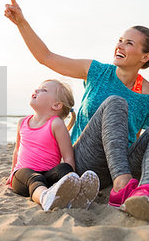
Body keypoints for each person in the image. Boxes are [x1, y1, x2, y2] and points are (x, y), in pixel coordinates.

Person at [4, 0, 149, 222]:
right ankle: (121, 186)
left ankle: (146, 193)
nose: (120, 46)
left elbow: (142, 138)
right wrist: (21, 23)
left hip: (120, 161)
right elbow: (46, 57)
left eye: (129, 43)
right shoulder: (97, 71)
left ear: (145, 57)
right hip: (85, 160)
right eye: (120, 40)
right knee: (115, 102)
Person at [7, 79, 100, 211]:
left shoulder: (56, 124)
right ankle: (44, 197)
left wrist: (70, 176)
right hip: (24, 177)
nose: (37, 90)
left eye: (43, 90)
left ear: (56, 105)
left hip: (48, 176)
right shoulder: (22, 122)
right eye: (38, 88)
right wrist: (11, 174)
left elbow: (68, 157)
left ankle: (77, 194)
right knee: (33, 177)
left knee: (64, 168)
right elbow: (17, 151)